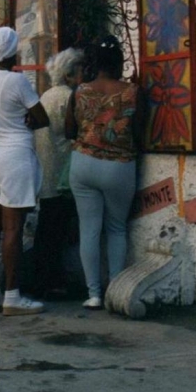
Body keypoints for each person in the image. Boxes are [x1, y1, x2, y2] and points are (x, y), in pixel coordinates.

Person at [0, 26, 49, 316]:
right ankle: (13, 296)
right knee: (13, 228)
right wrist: (27, 119)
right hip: (14, 153)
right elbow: (41, 118)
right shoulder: (17, 81)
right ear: (12, 53)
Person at [65, 35, 143, 309]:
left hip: (83, 164)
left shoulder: (80, 91)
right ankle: (114, 292)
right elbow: (140, 130)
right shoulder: (132, 91)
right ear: (118, 61)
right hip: (119, 166)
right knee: (117, 228)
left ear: (93, 62)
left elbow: (68, 130)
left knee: (89, 229)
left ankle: (94, 294)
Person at [32, 48, 85, 300]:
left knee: (48, 227)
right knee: (55, 231)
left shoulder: (46, 96)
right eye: (79, 72)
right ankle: (49, 281)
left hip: (46, 170)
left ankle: (45, 280)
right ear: (69, 75)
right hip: (61, 172)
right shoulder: (68, 98)